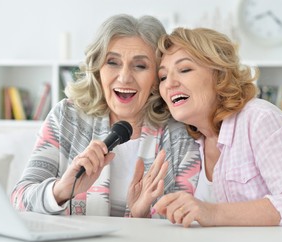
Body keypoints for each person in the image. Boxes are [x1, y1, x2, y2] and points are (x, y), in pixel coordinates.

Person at [10, 14, 200, 217]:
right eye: (113, 62)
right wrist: (61, 190)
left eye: (140, 66)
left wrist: (140, 216)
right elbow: (19, 199)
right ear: (98, 69)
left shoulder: (179, 134)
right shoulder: (66, 118)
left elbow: (182, 222)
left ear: (157, 77)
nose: (125, 77)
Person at [153, 27, 282, 227]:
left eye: (185, 69)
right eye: (163, 77)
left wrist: (213, 213)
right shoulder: (190, 141)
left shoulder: (260, 120)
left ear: (220, 74)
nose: (169, 83)